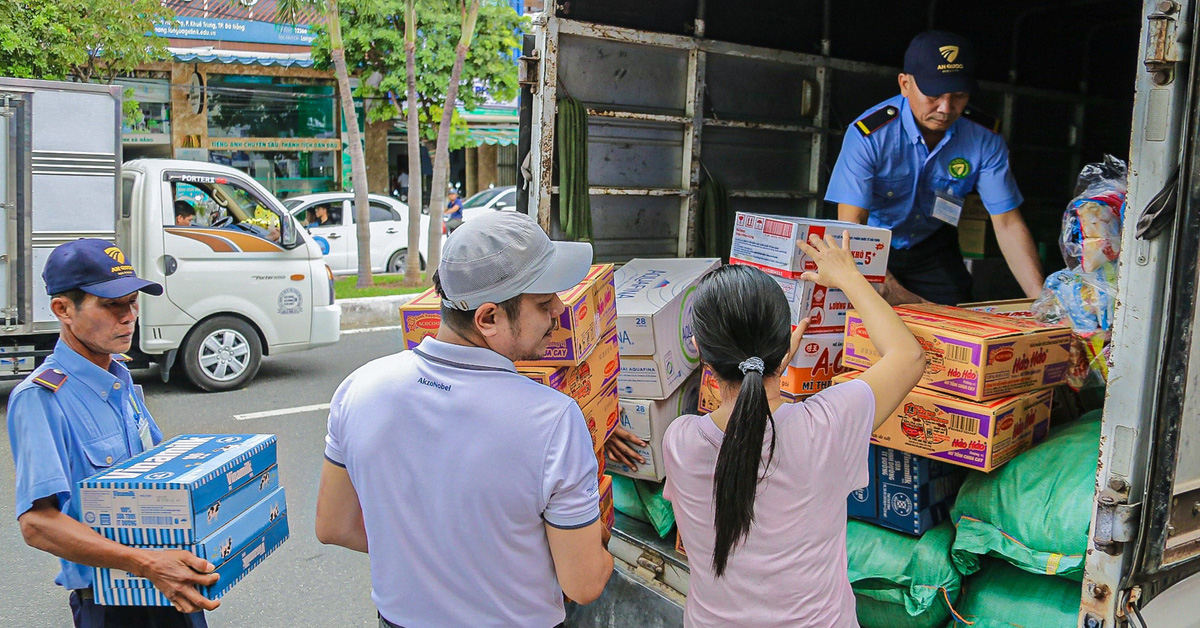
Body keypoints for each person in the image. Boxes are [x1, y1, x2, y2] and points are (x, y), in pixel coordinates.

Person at [315, 211, 613, 627]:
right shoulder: (553, 421)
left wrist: (427, 553)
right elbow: (583, 585)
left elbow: (333, 526)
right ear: (488, 318)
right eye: (544, 304)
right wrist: (597, 543)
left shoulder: (359, 389)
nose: (560, 312)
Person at [662, 232, 926, 627]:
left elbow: (746, 420)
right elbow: (909, 355)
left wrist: (768, 369)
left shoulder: (680, 442)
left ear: (700, 350)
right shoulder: (828, 425)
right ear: (785, 342)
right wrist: (849, 277)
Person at [8, 239, 220, 628]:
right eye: (110, 305)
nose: (128, 317)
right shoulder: (42, 398)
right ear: (63, 309)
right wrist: (147, 563)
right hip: (115, 607)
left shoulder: (119, 377)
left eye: (132, 303)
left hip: (170, 587)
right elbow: (37, 524)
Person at [826, 30, 1044, 306]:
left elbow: (1007, 222)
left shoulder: (983, 139)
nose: (946, 107)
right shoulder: (869, 135)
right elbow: (851, 225)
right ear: (905, 84)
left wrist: (1042, 300)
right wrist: (890, 289)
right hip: (872, 245)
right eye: (933, 94)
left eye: (959, 95)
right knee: (871, 320)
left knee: (957, 319)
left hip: (931, 244)